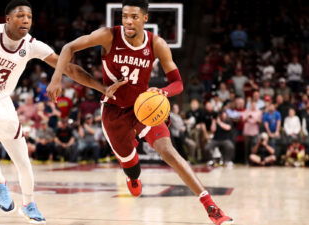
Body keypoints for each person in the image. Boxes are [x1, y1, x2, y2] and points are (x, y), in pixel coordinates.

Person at [0, 0, 123, 223]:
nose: (26, 20)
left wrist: (102, 88)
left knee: (23, 161)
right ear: (7, 19)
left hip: (2, 102)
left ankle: (29, 204)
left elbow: (70, 69)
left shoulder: (33, 45)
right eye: (20, 15)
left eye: (30, 17)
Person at [47, 0, 233, 224]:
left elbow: (178, 83)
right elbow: (69, 48)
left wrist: (162, 92)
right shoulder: (108, 36)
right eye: (124, 16)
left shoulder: (157, 44)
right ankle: (133, 178)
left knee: (170, 152)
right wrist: (56, 78)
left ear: (145, 18)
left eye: (134, 16)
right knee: (131, 168)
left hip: (144, 107)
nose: (128, 21)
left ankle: (211, 207)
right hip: (114, 111)